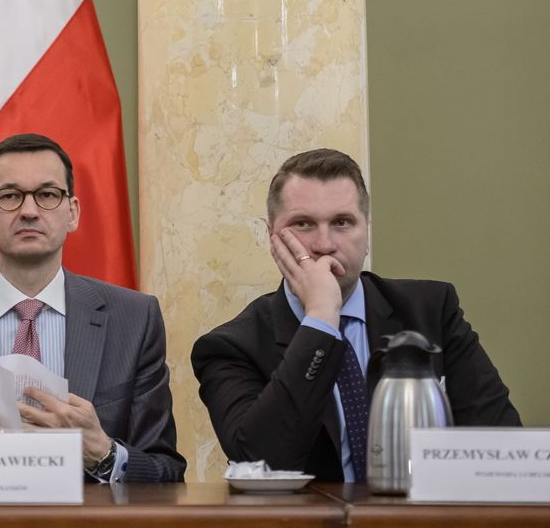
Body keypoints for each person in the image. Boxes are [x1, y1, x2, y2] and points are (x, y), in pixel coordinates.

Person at [192, 148, 520, 482]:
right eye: (302, 224)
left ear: (367, 233)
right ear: (271, 238)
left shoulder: (432, 310)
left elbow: (502, 444)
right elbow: (264, 463)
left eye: (342, 222)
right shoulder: (231, 347)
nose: (324, 243)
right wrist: (320, 320)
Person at [0, 133, 185, 483]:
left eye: (47, 195)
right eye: (10, 196)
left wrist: (104, 453)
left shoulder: (134, 320)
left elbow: (168, 474)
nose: (29, 211)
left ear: (72, 212)